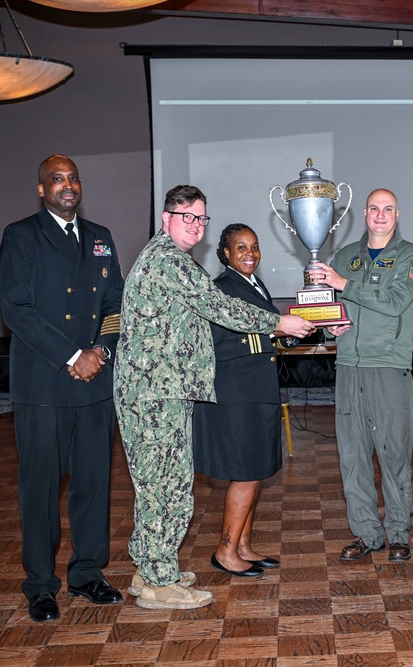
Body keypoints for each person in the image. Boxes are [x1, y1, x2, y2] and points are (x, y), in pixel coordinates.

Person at [115, 185, 315, 610]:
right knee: (165, 488)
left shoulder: (168, 259)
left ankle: (151, 566)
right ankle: (158, 582)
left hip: (162, 390)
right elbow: (218, 306)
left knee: (158, 485)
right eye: (186, 216)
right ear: (166, 218)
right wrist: (278, 323)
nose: (195, 225)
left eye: (201, 218)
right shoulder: (168, 260)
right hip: (156, 394)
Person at [0, 154, 125, 622]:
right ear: (41, 189)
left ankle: (88, 573)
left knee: (93, 483)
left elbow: (115, 301)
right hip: (44, 385)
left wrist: (101, 351)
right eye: (56, 179)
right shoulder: (21, 236)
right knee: (41, 488)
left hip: (94, 385)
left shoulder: (101, 239)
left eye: (72, 178)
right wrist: (75, 355)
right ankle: (41, 585)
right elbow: (17, 309)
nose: (66, 185)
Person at [308, 188, 413, 563]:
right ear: (364, 213)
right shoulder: (345, 257)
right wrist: (331, 328)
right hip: (348, 369)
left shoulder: (411, 255)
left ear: (397, 214)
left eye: (387, 209)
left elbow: (395, 304)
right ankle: (366, 533)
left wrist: (344, 284)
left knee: (393, 456)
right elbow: (332, 309)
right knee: (353, 458)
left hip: (388, 369)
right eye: (374, 208)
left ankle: (397, 534)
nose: (380, 215)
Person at [193, 224, 287, 579]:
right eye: (241, 247)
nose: (250, 253)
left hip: (256, 390)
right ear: (226, 254)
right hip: (236, 394)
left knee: (256, 470)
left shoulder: (253, 284)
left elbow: (265, 331)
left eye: (255, 246)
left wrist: (286, 335)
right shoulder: (221, 289)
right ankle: (225, 551)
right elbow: (219, 343)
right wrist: (274, 328)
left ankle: (244, 546)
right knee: (245, 473)